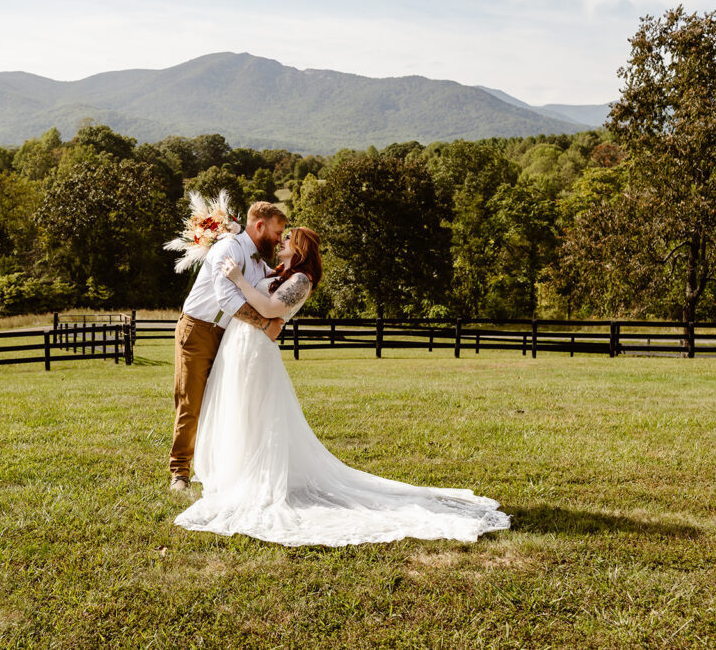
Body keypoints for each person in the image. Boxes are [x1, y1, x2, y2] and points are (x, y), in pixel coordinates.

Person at [175, 227, 511, 546]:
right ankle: (238, 472)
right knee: (242, 413)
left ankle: (258, 479)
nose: (282, 241)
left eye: (288, 238)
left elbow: (268, 308)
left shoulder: (301, 280)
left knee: (257, 416)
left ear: (300, 249)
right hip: (242, 348)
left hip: (257, 354)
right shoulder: (279, 273)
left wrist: (236, 279)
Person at [170, 202, 288, 491]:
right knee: (191, 402)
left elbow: (262, 294)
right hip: (197, 330)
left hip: (227, 335)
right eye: (277, 232)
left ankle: (216, 465)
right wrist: (264, 324)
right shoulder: (228, 249)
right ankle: (179, 473)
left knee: (223, 400)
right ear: (259, 226)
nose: (278, 238)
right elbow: (228, 300)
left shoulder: (260, 262)